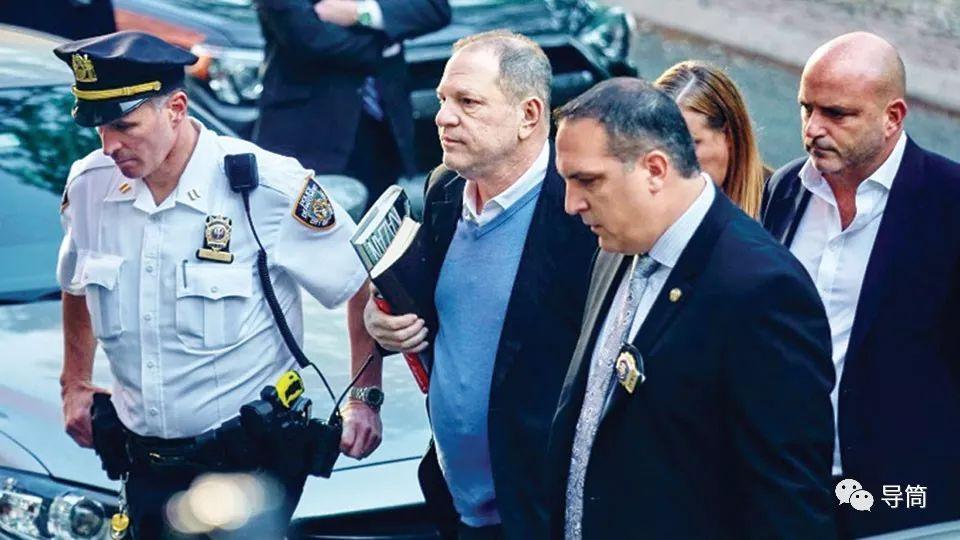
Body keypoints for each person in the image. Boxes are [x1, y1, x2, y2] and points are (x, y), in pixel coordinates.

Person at [54, 31, 381, 539]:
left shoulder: (265, 186)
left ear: (176, 109)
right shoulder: (90, 186)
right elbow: (76, 283)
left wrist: (364, 395)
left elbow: (363, 278)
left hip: (246, 467)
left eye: (124, 125)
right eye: (99, 127)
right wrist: (74, 382)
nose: (109, 145)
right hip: (143, 463)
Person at [547, 78, 837, 539]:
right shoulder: (613, 249)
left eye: (587, 180)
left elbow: (788, 504)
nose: (571, 204)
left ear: (655, 169)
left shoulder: (763, 289)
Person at [362, 30, 596, 539]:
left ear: (529, 115)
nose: (443, 117)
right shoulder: (444, 189)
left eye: (467, 102)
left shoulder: (583, 213)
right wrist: (382, 323)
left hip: (537, 513)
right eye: (443, 99)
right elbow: (443, 315)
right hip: (452, 498)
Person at [761, 31, 960, 538]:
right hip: (789, 488)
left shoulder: (949, 203)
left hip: (904, 503)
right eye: (806, 108)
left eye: (837, 113)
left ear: (893, 117)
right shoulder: (786, 189)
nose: (813, 128)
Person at [251, 0, 451, 210]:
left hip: (383, 125)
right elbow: (308, 36)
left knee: (379, 219)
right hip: (308, 130)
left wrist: (362, 14)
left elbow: (435, 8)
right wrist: (385, 47)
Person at [655, 60, 769, 218]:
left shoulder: (778, 206)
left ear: (728, 136)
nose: (670, 161)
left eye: (687, 144)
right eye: (659, 143)